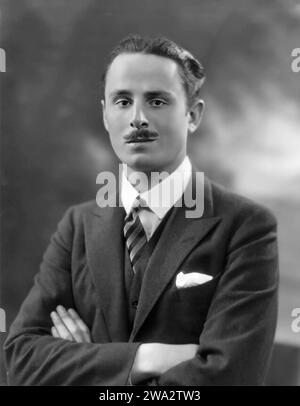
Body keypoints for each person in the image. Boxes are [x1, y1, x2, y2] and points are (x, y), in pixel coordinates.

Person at [3, 35, 279, 386]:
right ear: (105, 115)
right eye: (122, 101)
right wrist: (149, 357)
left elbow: (230, 376)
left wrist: (87, 364)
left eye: (157, 101)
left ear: (192, 115)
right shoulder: (77, 226)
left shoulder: (245, 227)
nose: (137, 118)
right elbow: (22, 359)